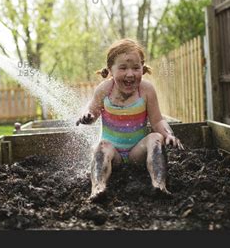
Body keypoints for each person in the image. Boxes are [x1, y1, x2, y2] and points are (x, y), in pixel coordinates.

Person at [76, 39, 184, 201]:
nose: (130, 74)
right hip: (113, 156)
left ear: (142, 68)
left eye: (136, 68)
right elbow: (91, 112)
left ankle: (159, 185)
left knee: (156, 138)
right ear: (110, 71)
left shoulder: (146, 90)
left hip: (137, 153)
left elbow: (157, 121)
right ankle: (98, 188)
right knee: (100, 146)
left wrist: (168, 134)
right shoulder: (104, 90)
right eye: (123, 68)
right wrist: (87, 117)